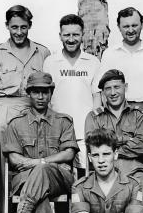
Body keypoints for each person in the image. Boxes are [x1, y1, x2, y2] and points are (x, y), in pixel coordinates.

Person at [2, 72, 78, 213]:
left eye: (45, 92)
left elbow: (69, 153)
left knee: (42, 171)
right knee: (39, 191)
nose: (41, 96)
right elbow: (13, 158)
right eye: (36, 92)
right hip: (28, 181)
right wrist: (42, 165)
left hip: (58, 179)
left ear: (51, 93)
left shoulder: (64, 121)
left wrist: (40, 162)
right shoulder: (16, 123)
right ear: (29, 93)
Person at [0, 5, 51, 140]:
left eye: (23, 27)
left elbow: (49, 91)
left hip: (34, 109)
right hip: (3, 112)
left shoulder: (43, 52)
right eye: (14, 27)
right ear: (7, 26)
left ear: (30, 25)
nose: (19, 32)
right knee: (2, 153)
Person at [85, 70, 143, 212]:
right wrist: (127, 139)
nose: (113, 92)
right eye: (108, 89)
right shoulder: (94, 117)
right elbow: (93, 145)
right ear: (103, 92)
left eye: (117, 87)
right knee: (98, 202)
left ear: (125, 87)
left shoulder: (138, 115)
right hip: (103, 171)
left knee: (142, 198)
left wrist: (109, 144)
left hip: (135, 170)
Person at [94, 7, 143, 124]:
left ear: (142, 25)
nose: (130, 30)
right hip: (115, 116)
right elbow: (99, 90)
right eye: (126, 26)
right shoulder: (109, 54)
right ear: (119, 27)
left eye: (134, 25)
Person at [43, 14, 101, 168]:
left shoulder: (93, 62)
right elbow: (45, 98)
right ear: (60, 36)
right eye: (66, 35)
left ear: (82, 35)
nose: (71, 39)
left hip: (85, 132)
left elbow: (97, 96)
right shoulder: (50, 62)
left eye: (75, 34)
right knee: (60, 174)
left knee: (85, 173)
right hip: (58, 133)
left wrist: (93, 127)